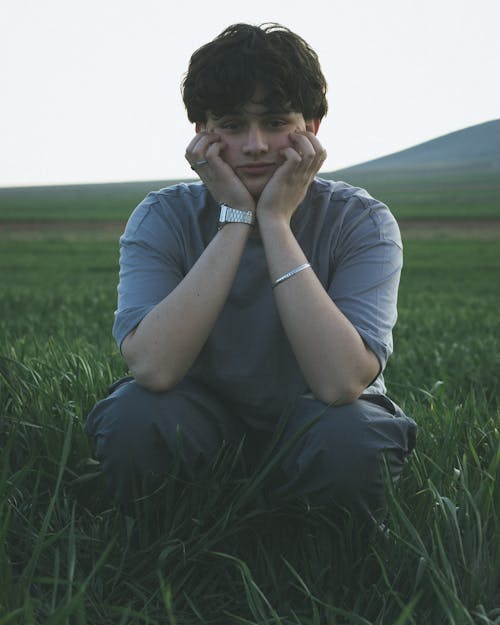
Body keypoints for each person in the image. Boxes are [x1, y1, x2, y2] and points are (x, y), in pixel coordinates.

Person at [84, 23, 416, 520]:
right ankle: (172, 544)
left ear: (312, 128)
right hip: (199, 419)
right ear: (201, 134)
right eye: (233, 126)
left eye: (276, 122)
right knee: (134, 418)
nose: (256, 145)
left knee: (354, 439)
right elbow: (153, 368)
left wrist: (276, 222)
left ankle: (323, 556)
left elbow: (341, 382)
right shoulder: (162, 217)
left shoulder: (362, 221)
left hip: (319, 421)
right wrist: (236, 220)